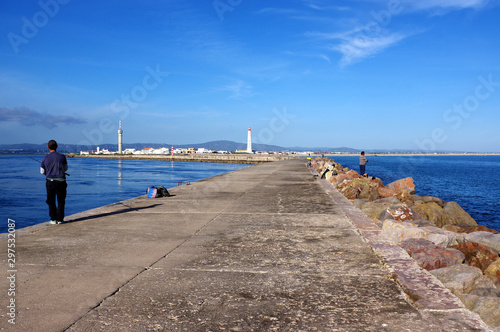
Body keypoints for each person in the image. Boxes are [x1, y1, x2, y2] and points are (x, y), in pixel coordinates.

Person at [40, 140, 68, 224]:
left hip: (50, 182)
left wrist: (48, 174)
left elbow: (42, 171)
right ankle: (60, 219)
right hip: (61, 181)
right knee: (61, 200)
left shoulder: (45, 158)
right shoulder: (62, 157)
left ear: (48, 147)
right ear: (57, 147)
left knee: (51, 200)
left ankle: (53, 219)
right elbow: (66, 168)